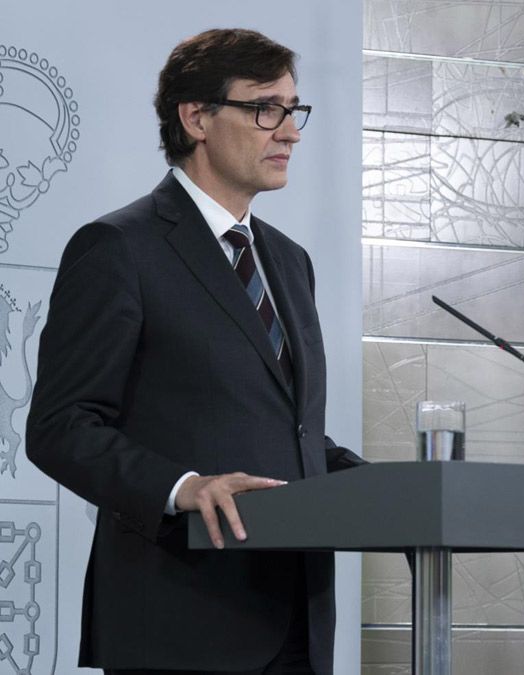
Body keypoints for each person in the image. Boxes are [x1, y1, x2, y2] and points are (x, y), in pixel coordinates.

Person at [27, 28, 364, 674]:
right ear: (196, 117)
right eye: (267, 109)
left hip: (298, 625)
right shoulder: (118, 249)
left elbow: (287, 433)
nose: (290, 131)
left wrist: (392, 487)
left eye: (295, 111)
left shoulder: (291, 264)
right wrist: (181, 487)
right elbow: (59, 426)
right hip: (179, 625)